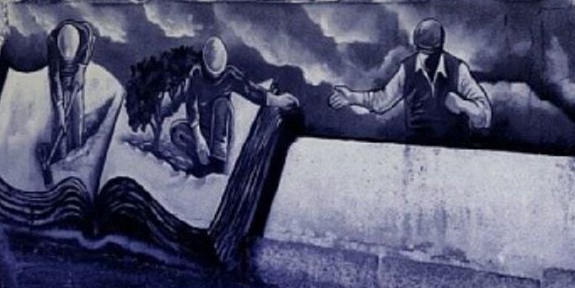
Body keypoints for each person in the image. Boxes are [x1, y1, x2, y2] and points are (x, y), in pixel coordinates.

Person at [328, 18, 491, 144]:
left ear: (441, 47)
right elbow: (382, 101)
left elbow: (485, 117)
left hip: (455, 151)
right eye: (422, 52)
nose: (426, 59)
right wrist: (353, 98)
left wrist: (464, 106)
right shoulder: (407, 68)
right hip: (416, 150)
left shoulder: (458, 69)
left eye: (432, 53)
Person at [169, 36, 298, 176]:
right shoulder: (197, 75)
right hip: (203, 130)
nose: (214, 78)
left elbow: (252, 91)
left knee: (221, 104)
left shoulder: (230, 76)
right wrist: (199, 139)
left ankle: (218, 161)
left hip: (220, 129)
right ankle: (201, 160)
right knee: (177, 131)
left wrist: (277, 101)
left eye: (217, 74)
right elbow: (191, 107)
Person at [45, 19, 94, 161]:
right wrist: (59, 105)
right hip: (60, 78)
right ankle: (59, 154)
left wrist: (81, 69)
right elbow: (54, 77)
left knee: (76, 114)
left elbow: (87, 53)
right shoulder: (53, 42)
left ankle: (76, 150)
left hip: (76, 76)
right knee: (59, 121)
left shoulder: (85, 34)